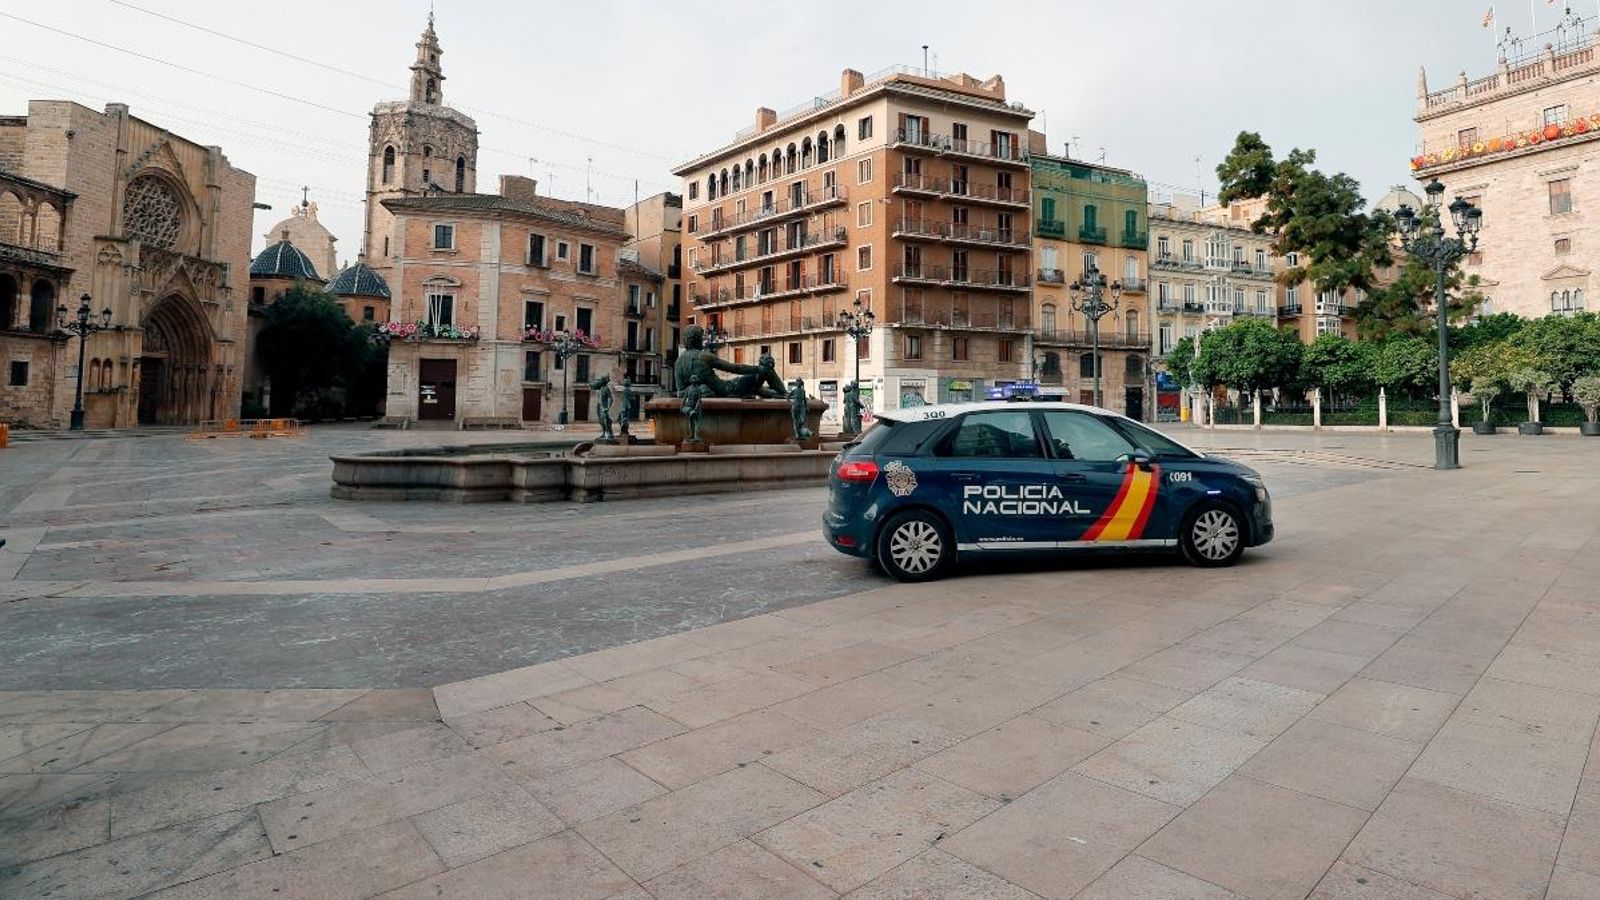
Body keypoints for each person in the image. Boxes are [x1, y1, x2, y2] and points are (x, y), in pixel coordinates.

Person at [673, 325, 787, 398]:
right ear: (697, 339)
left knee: (755, 388)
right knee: (766, 371)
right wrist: (758, 369)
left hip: (719, 393)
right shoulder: (704, 356)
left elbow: (680, 392)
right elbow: (734, 368)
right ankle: (785, 394)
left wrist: (699, 389)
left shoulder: (678, 362)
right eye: (702, 338)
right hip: (728, 390)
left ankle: (777, 395)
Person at [680, 374, 710, 442]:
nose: (693, 380)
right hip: (690, 406)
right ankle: (691, 435)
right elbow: (685, 398)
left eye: (695, 378)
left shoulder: (698, 389)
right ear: (690, 380)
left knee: (697, 422)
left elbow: (699, 399)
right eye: (692, 378)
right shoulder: (688, 388)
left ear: (697, 380)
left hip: (697, 407)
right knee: (690, 422)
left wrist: (696, 407)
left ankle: (696, 435)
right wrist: (682, 405)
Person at [591, 373, 615, 442]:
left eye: (602, 380)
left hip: (604, 406)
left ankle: (610, 433)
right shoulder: (599, 389)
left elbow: (611, 398)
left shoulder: (606, 389)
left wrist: (608, 407)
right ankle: (604, 433)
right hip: (599, 406)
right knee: (601, 421)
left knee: (606, 420)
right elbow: (592, 386)